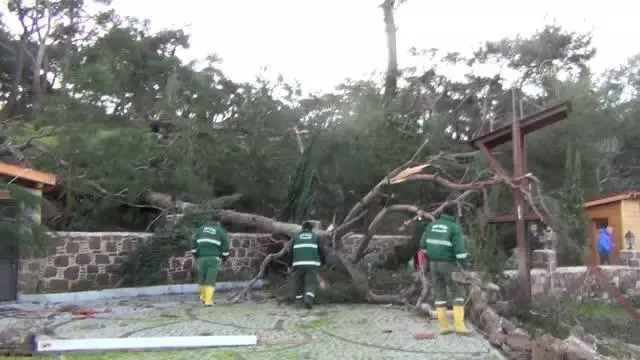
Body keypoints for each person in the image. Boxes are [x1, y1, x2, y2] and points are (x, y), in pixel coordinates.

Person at [419, 202, 471, 335]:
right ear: (454, 214)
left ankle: (444, 327)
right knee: (458, 293)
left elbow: (422, 245)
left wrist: (430, 257)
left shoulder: (431, 225)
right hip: (448, 264)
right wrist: (466, 266)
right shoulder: (454, 227)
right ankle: (459, 326)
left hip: (433, 264)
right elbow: (460, 251)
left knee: (439, 294)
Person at [190, 220, 230, 306]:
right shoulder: (220, 231)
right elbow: (226, 247)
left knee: (202, 278)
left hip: (201, 258)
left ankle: (203, 297)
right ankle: (208, 301)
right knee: (210, 279)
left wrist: (195, 254)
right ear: (218, 222)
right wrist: (224, 258)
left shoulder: (200, 229)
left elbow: (193, 243)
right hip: (213, 258)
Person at [291, 220, 326, 309]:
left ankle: (298, 301)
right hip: (312, 263)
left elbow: (290, 251)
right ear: (311, 229)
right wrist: (323, 262)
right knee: (311, 282)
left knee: (299, 281)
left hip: (298, 263)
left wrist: (289, 264)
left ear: (302, 228)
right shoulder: (315, 237)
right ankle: (308, 299)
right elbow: (321, 251)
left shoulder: (295, 237)